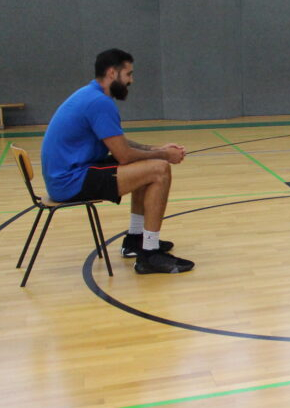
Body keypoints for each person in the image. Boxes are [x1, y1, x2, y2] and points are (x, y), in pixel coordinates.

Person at [40, 49, 193, 275]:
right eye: (128, 74)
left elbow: (118, 142)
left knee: (145, 167)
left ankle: (135, 240)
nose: (131, 80)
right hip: (70, 182)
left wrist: (157, 149)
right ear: (112, 73)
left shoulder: (90, 95)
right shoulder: (99, 103)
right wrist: (164, 156)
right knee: (159, 170)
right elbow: (125, 155)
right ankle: (149, 256)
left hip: (66, 177)